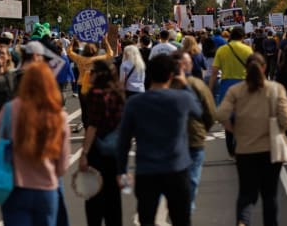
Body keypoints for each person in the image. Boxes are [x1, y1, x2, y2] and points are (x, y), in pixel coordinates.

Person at [116, 54, 201, 226]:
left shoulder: (134, 103)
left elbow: (123, 141)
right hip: (177, 168)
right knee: (182, 219)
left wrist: (122, 171)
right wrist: (184, 84)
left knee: (146, 218)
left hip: (146, 170)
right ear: (172, 75)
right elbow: (199, 111)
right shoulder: (182, 99)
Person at [217, 53, 287, 226]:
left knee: (246, 194)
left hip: (245, 149)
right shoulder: (275, 89)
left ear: (246, 69)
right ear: (264, 67)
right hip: (270, 148)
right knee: (270, 195)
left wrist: (233, 129)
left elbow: (221, 113)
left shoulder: (236, 90)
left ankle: (243, 221)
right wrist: (278, 128)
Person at [0, 63, 70, 226]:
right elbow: (62, 166)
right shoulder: (59, 115)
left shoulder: (8, 110)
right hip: (47, 188)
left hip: (14, 187)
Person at [79, 60, 125, 226]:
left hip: (98, 150)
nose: (88, 75)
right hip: (115, 150)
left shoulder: (96, 94)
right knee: (114, 198)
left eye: (91, 72)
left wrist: (84, 153)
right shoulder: (118, 91)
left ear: (99, 74)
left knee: (94, 196)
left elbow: (93, 126)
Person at [173, 50, 216, 212]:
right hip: (189, 139)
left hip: (186, 139)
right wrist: (204, 129)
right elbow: (210, 113)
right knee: (190, 180)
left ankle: (182, 211)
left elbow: (210, 112)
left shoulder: (166, 84)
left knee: (181, 180)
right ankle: (184, 210)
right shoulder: (197, 85)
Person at [209, 27, 253, 157]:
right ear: (242, 37)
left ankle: (231, 149)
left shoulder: (222, 50)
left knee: (228, 117)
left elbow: (214, 72)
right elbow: (253, 69)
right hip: (244, 85)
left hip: (226, 86)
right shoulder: (247, 49)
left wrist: (209, 89)